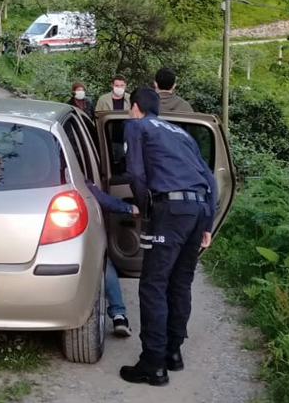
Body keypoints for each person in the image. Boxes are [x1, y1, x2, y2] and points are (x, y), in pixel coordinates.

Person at [119, 87, 218, 387]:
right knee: (180, 282)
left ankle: (152, 364)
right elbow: (211, 180)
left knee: (153, 285)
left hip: (171, 210)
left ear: (134, 107)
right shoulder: (180, 133)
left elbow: (135, 173)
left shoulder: (136, 125)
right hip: (199, 207)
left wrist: (145, 207)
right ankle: (173, 353)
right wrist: (208, 224)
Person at [85, 180, 138, 337]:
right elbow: (101, 199)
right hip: (70, 235)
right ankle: (118, 315)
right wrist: (128, 208)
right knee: (103, 263)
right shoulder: (65, 170)